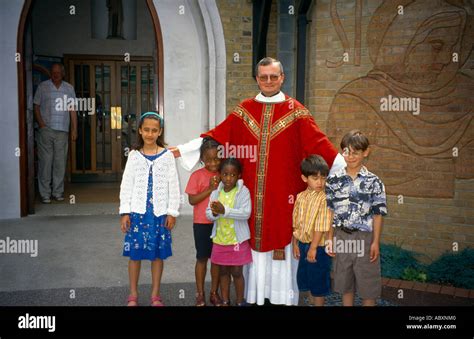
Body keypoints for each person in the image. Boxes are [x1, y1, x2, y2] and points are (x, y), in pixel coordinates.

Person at [172, 57, 345, 305]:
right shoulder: (245, 110)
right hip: (252, 194)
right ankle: (254, 295)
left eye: (274, 76)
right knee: (252, 237)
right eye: (263, 77)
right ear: (257, 79)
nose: (268, 81)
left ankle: (283, 297)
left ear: (282, 78)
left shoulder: (296, 111)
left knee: (283, 238)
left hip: (284, 194)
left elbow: (319, 143)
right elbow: (218, 134)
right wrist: (182, 149)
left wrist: (346, 166)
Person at [119, 112, 180, 307]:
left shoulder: (167, 156)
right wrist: (125, 212)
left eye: (154, 130)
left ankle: (155, 295)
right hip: (138, 213)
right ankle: (133, 294)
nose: (150, 134)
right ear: (140, 131)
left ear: (160, 132)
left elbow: (174, 185)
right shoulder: (134, 156)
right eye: (146, 130)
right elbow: (126, 184)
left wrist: (172, 212)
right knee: (135, 255)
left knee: (157, 254)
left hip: (159, 215)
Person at [325, 130, 387, 306]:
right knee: (345, 286)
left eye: (356, 152)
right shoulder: (333, 181)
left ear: (366, 152)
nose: (350, 156)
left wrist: (375, 242)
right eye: (346, 151)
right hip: (341, 236)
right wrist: (329, 238)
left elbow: (378, 213)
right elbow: (330, 211)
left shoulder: (374, 182)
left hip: (365, 239)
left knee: (369, 287)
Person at [206, 158, 252, 306]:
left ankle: (240, 301)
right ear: (220, 174)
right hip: (220, 240)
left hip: (237, 241)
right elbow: (208, 213)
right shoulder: (216, 192)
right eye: (225, 174)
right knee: (224, 272)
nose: (228, 178)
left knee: (237, 272)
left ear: (239, 175)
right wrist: (213, 213)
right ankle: (225, 300)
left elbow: (245, 213)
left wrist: (224, 211)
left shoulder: (243, 192)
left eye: (232, 175)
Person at [185, 138, 223, 306]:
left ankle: (214, 293)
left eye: (216, 158)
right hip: (201, 223)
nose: (213, 163)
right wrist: (210, 189)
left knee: (217, 260)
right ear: (202, 159)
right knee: (201, 258)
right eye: (208, 160)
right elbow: (192, 200)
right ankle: (200, 294)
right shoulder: (197, 176)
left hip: (221, 223)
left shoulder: (225, 174)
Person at [33, 63, 78, 204]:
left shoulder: (69, 88)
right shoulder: (43, 86)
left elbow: (72, 110)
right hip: (46, 130)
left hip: (62, 130)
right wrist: (41, 124)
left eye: (58, 72)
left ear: (63, 73)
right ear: (50, 73)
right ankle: (45, 194)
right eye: (53, 72)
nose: (55, 75)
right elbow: (36, 106)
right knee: (45, 163)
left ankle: (57, 192)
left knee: (60, 163)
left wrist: (74, 129)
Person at [292, 155, 332, 306]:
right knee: (307, 281)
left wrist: (313, 248)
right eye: (315, 178)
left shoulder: (325, 198)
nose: (320, 182)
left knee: (318, 284)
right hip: (303, 245)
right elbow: (296, 222)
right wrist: (295, 243)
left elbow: (321, 226)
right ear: (304, 178)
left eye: (323, 178)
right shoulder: (300, 197)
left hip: (318, 248)